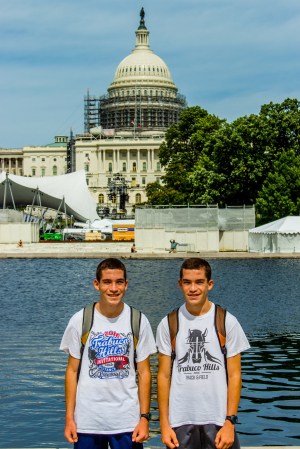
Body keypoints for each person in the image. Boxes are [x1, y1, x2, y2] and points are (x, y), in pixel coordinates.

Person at [60, 258, 157, 449]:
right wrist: (69, 418)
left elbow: (145, 373)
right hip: (87, 422)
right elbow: (72, 371)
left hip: (127, 421)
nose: (113, 288)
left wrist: (145, 418)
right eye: (107, 282)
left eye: (119, 282)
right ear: (97, 284)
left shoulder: (138, 320)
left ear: (126, 285)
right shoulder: (81, 319)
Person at [156, 257, 250, 449]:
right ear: (180, 284)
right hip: (180, 421)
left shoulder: (226, 321)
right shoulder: (168, 323)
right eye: (187, 282)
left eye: (199, 282)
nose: (193, 289)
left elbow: (235, 375)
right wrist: (164, 425)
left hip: (218, 420)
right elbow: (164, 376)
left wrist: (230, 422)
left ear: (210, 284)